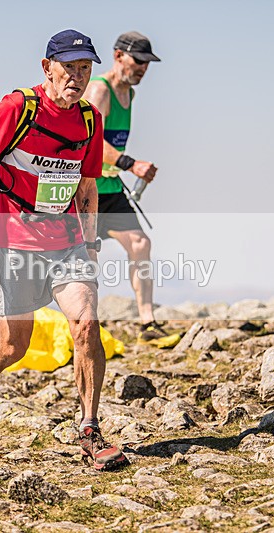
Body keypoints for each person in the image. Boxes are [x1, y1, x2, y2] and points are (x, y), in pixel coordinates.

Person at [0, 29, 128, 471]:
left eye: (85, 69)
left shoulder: (88, 120)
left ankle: (89, 428)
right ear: (47, 67)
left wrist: (90, 240)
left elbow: (86, 185)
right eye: (69, 68)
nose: (78, 77)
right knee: (14, 346)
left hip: (66, 243)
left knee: (86, 326)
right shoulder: (17, 108)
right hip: (14, 242)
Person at [82, 31, 179, 348]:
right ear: (117, 55)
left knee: (140, 244)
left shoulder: (129, 96)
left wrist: (126, 167)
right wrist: (130, 163)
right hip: (85, 190)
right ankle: (87, 328)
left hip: (110, 186)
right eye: (138, 61)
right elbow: (90, 141)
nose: (142, 69)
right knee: (88, 258)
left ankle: (147, 322)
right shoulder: (99, 90)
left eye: (147, 64)